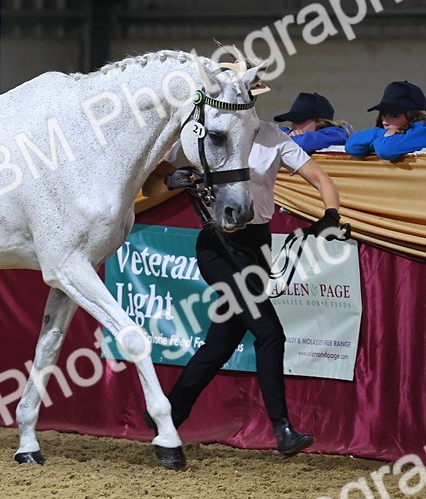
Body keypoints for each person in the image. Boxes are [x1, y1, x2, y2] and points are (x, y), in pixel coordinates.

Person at [142, 92, 342, 458]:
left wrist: (331, 214)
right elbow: (153, 178)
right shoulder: (206, 135)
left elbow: (322, 180)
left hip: (257, 247)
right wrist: (172, 182)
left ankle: (166, 416)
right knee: (269, 332)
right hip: (218, 246)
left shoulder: (272, 136)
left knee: (218, 347)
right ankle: (282, 429)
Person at [344, 80, 426, 160]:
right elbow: (352, 146)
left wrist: (378, 137)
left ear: (413, 116)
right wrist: (382, 134)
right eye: (384, 114)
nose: (385, 121)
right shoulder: (392, 132)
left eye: (394, 116)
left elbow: (386, 150)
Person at [273, 92, 352, 154]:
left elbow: (303, 143)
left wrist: (289, 137)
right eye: (292, 121)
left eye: (299, 120)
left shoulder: (337, 134)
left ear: (319, 122)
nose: (293, 125)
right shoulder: (292, 133)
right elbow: (269, 135)